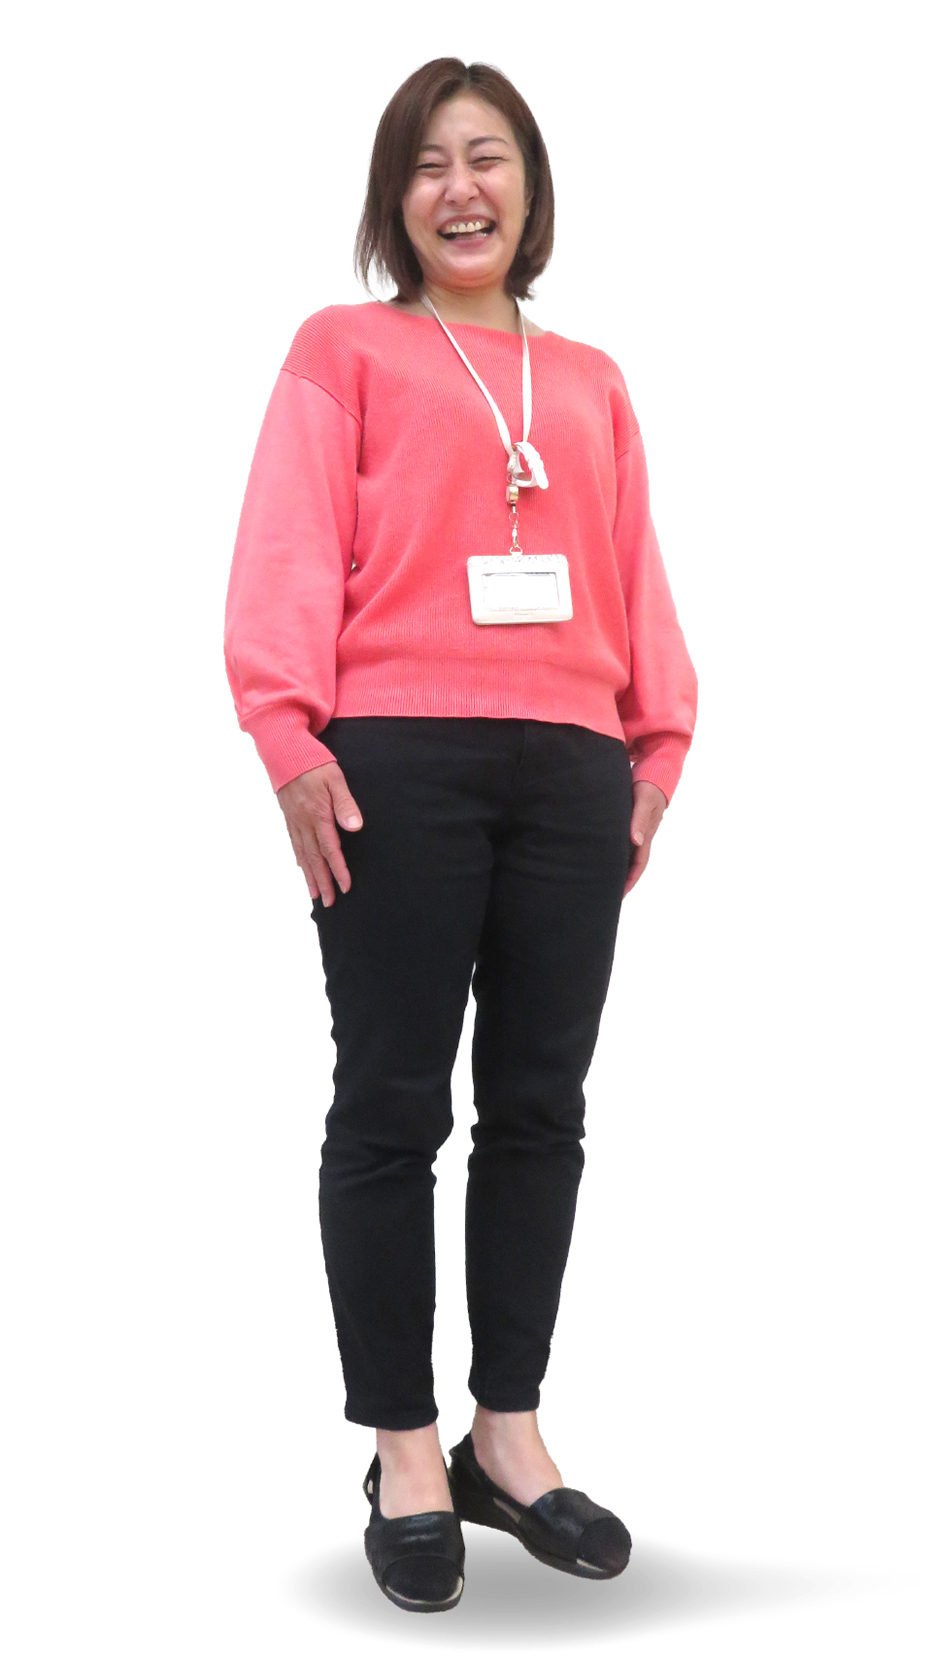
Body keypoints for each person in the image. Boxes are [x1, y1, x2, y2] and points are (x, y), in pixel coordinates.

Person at [223, 57, 698, 1614]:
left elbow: (633, 573)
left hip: (570, 769)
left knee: (542, 1109)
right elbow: (288, 542)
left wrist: (656, 747)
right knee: (391, 1105)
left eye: (488, 157)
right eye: (429, 164)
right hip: (397, 765)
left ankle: (509, 1434)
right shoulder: (346, 348)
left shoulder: (593, 379)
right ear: (396, 198)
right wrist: (287, 737)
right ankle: (404, 1448)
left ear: (530, 188)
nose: (461, 188)